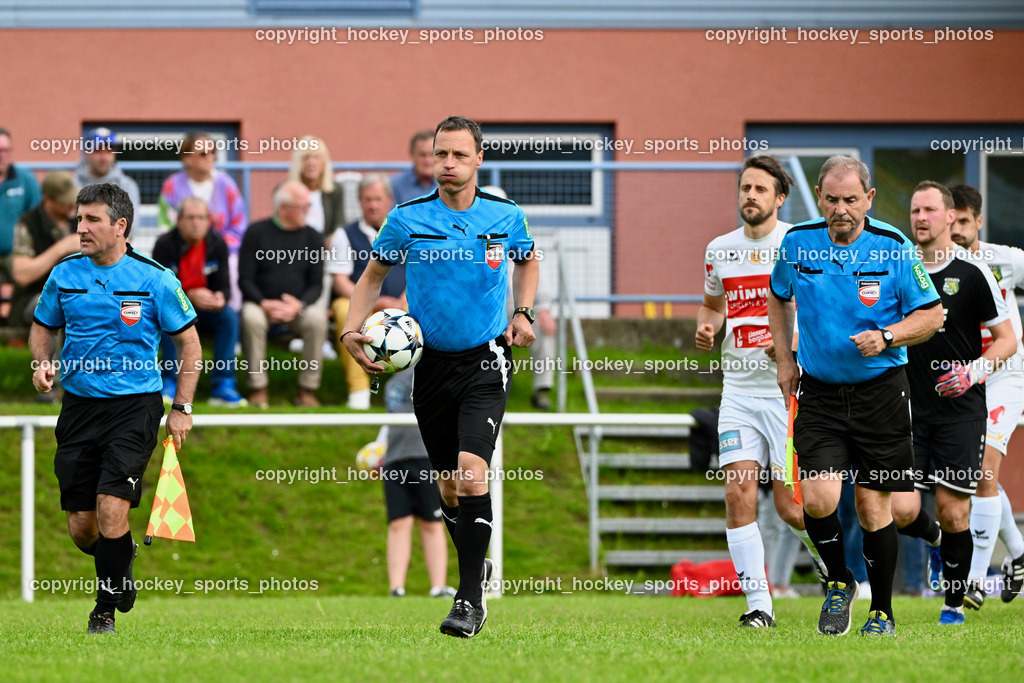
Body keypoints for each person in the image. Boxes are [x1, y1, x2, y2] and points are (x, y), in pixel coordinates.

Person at [341, 116, 538, 638]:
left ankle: (470, 596)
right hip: (428, 367)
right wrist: (349, 330)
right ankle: (477, 568)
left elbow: (529, 261)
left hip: (486, 360)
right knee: (449, 489)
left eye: (457, 155)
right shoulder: (407, 219)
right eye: (439, 154)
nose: (446, 164)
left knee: (473, 472)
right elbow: (372, 276)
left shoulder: (505, 214)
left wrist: (525, 313)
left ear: (478, 160)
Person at [768, 155, 944, 637]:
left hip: (881, 395)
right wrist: (786, 359)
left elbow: (932, 316)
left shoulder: (893, 246)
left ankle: (881, 612)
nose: (841, 209)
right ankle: (840, 581)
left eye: (851, 200)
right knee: (819, 501)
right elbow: (778, 296)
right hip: (821, 392)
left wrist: (888, 336)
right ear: (819, 198)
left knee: (873, 506)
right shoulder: (797, 242)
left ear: (869, 198)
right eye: (831, 199)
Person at [29, 183, 200, 634]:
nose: (80, 228)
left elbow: (189, 343)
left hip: (134, 408)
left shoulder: (155, 278)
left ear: (120, 226)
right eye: (79, 219)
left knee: (111, 507)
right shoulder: (65, 274)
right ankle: (119, 558)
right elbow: (43, 325)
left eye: (91, 220)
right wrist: (42, 362)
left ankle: (104, 608)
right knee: (83, 527)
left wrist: (181, 406)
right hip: (79, 409)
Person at [697, 155, 826, 628]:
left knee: (794, 507)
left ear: (779, 198)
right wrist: (708, 329)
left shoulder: (797, 245)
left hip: (785, 394)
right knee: (737, 492)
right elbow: (712, 306)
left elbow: (819, 312)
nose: (750, 196)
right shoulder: (719, 249)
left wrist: (790, 345)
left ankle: (830, 563)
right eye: (744, 188)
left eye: (760, 189)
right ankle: (759, 606)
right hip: (737, 393)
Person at [891, 180, 1015, 625]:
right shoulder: (899, 270)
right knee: (902, 509)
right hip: (909, 411)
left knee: (953, 509)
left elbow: (1007, 341)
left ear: (949, 217)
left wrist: (971, 373)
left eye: (929, 210)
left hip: (961, 414)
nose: (920, 218)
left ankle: (952, 606)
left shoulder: (974, 272)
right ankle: (940, 548)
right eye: (914, 210)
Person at [948, 183, 1024, 608]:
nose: (956, 228)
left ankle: (975, 580)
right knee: (979, 471)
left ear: (978, 221)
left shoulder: (1006, 259)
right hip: (968, 378)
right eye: (951, 220)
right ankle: (1019, 551)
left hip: (1007, 374)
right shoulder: (940, 265)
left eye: (964, 221)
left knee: (984, 467)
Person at [238, 181, 327, 408]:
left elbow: (317, 284)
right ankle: (258, 388)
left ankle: (307, 389)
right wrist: (264, 303)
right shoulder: (256, 233)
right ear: (284, 208)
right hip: (262, 304)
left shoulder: (314, 238)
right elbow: (245, 280)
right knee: (251, 317)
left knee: (317, 319)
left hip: (298, 307)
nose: (308, 212)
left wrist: (300, 305)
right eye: (303, 207)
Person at [152, 196, 246, 407]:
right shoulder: (164, 245)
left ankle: (223, 385)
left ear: (208, 221)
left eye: (202, 217)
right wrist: (190, 295)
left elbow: (224, 287)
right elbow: (158, 291)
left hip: (207, 310)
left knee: (229, 316)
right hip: (177, 309)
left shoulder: (217, 243)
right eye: (191, 217)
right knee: (167, 314)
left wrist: (220, 298)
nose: (197, 222)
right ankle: (170, 381)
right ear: (179, 220)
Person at [375, 370, 455, 598]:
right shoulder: (392, 383)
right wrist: (378, 450)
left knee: (432, 521)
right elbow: (390, 420)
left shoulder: (433, 374)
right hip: (394, 459)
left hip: (426, 457)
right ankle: (396, 588)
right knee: (398, 522)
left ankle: (438, 587)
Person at [327, 174, 404, 410]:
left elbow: (420, 274)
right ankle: (359, 392)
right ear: (360, 201)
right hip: (360, 303)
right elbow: (339, 281)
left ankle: (409, 389)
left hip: (404, 301)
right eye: (367, 199)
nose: (372, 205)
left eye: (378, 199)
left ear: (389, 200)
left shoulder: (406, 232)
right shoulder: (345, 234)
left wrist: (402, 301)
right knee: (343, 310)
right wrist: (374, 302)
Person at [158, 131, 248, 309]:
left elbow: (239, 225)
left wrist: (218, 247)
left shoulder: (227, 184)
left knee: (234, 267)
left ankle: (229, 314)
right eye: (203, 153)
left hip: (223, 251)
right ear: (187, 158)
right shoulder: (172, 185)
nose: (210, 157)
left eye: (213, 152)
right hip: (181, 251)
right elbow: (165, 226)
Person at [11, 172, 81, 328]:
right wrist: (62, 248)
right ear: (48, 200)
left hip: (78, 292)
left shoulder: (81, 218)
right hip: (36, 296)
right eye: (65, 200)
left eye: (73, 197)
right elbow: (22, 274)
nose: (72, 203)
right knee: (58, 306)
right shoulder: (28, 223)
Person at [0, 127, 43, 324]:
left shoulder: (25, 180)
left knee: (24, 278)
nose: (2, 155)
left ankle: (15, 330)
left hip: (16, 253)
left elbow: (37, 220)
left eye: (6, 150)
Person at [287, 136, 345, 236]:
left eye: (316, 157)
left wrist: (332, 239)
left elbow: (339, 224)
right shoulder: (286, 191)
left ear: (324, 162)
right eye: (306, 158)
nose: (311, 163)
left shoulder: (335, 190)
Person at [74, 128, 141, 210]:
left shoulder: (127, 186)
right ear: (87, 152)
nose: (104, 158)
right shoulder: (73, 184)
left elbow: (132, 222)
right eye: (98, 151)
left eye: (109, 151)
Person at [391, 130, 438, 205]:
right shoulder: (396, 185)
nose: (428, 161)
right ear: (412, 155)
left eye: (432, 154)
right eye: (422, 155)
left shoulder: (447, 183)